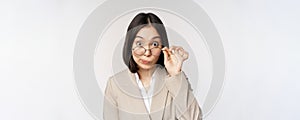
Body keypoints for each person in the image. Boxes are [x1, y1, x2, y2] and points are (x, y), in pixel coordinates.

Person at [103, 12, 202, 120]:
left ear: (162, 47)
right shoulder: (115, 85)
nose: (147, 53)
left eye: (154, 44)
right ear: (130, 45)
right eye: (139, 44)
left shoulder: (175, 80)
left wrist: (175, 74)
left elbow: (195, 118)